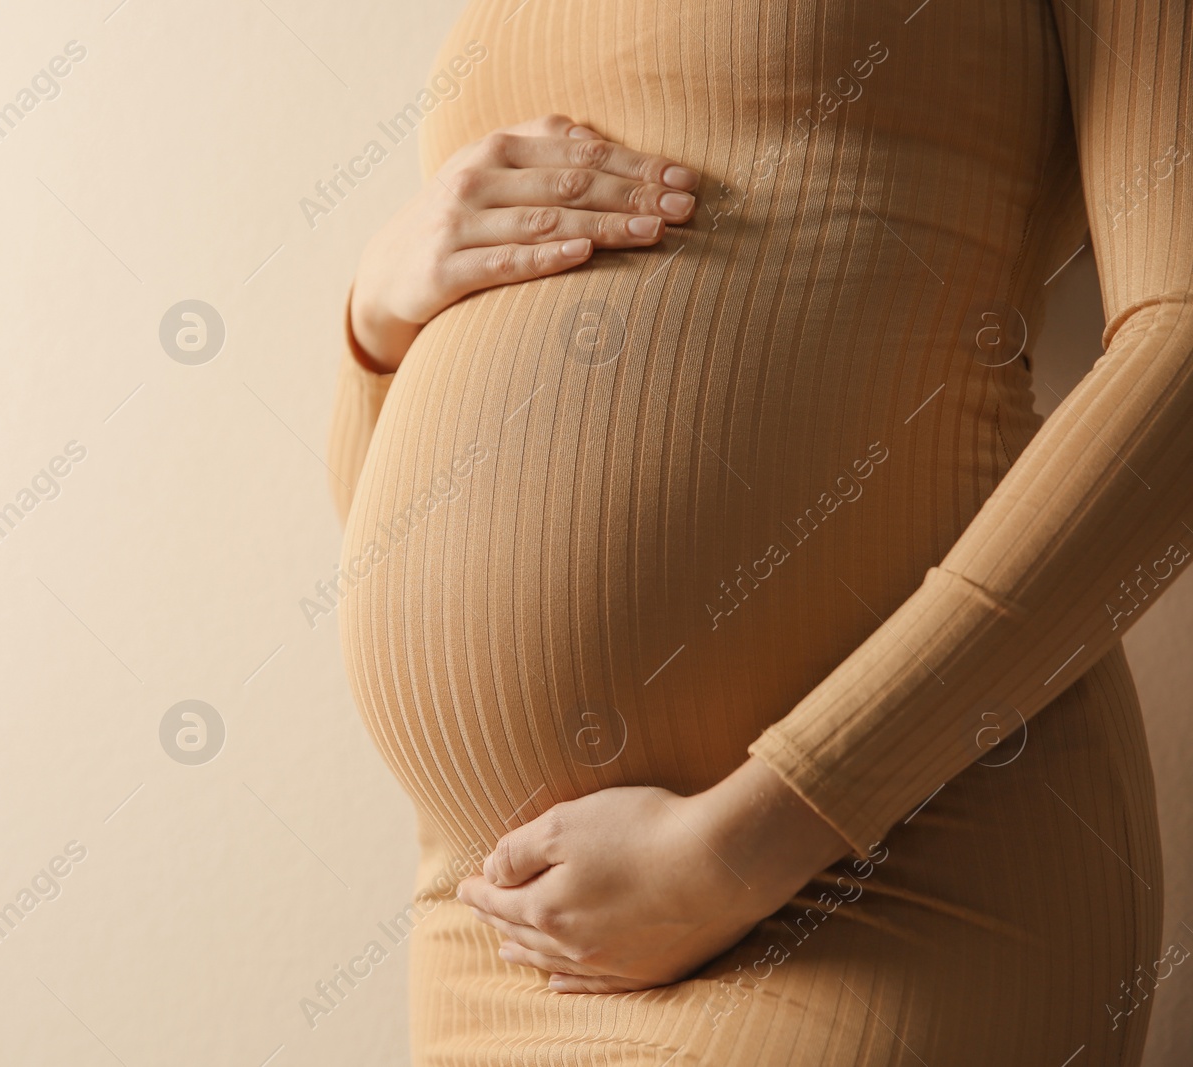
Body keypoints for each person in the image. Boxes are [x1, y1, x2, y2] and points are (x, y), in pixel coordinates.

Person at [326, 0, 1191, 1063]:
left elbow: (1181, 354)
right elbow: (373, 519)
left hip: (885, 866)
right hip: (506, 921)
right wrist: (377, 322)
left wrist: (752, 840)